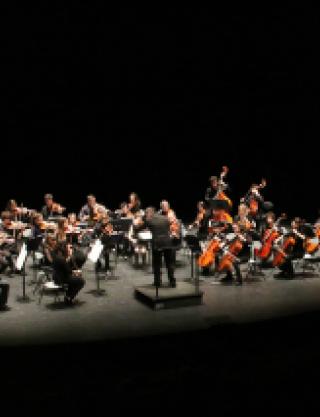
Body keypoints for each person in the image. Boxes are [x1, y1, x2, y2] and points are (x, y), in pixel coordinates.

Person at [136, 207, 176, 288]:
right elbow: (168, 228)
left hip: (157, 244)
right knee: (169, 263)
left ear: (149, 213)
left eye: (146, 214)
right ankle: (172, 282)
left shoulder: (149, 220)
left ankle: (157, 282)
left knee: (157, 264)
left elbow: (139, 228)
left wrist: (137, 225)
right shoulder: (165, 218)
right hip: (168, 242)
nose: (146, 216)